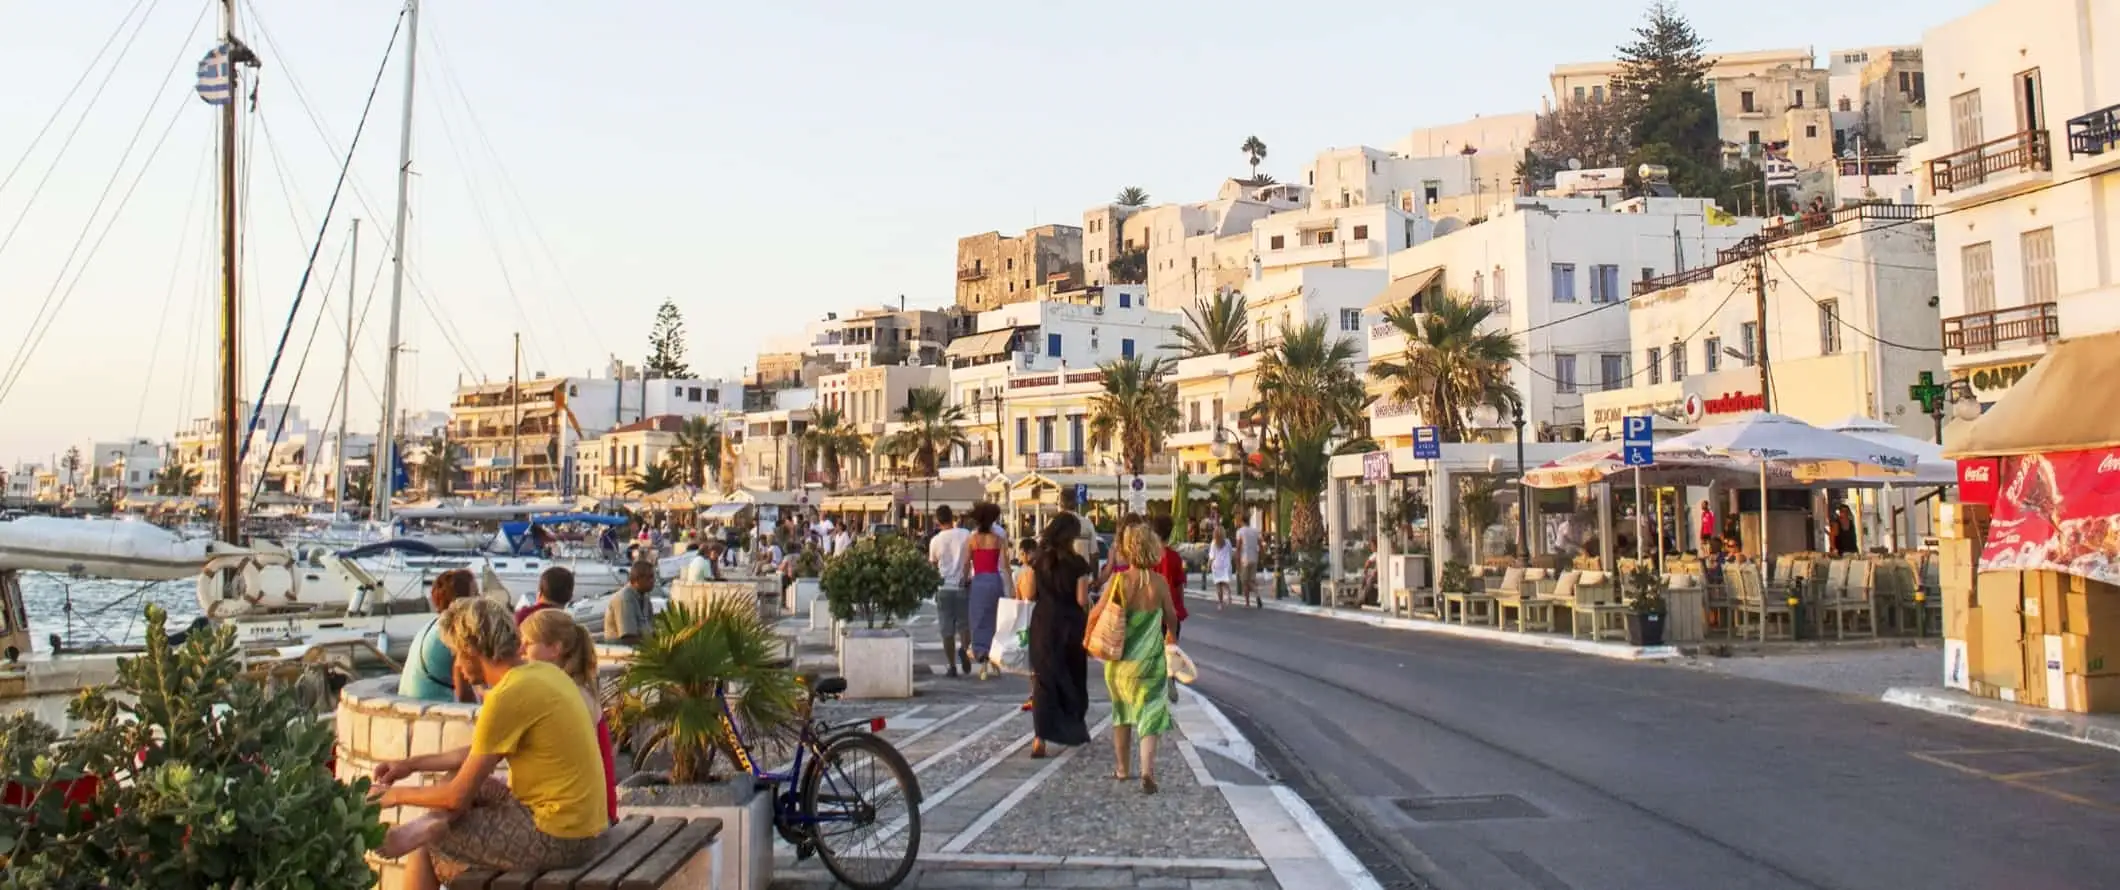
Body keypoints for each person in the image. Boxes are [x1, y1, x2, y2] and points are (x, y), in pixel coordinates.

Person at [371, 598, 607, 888]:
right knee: (459, 784)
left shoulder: (508, 695)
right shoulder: (544, 674)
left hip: (563, 838)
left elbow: (456, 797)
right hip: (584, 825)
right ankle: (427, 824)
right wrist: (408, 765)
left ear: (472, 650)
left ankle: (426, 829)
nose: (457, 664)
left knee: (431, 844)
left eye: (457, 654)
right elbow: (477, 754)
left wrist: (391, 796)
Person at [1086, 522, 1180, 794]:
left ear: (1127, 549)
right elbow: (1172, 617)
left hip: (1120, 664)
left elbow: (1096, 613)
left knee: (1122, 714)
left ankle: (1122, 768)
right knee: (1150, 716)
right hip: (1150, 663)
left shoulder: (1118, 581)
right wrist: (1171, 637)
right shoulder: (1159, 584)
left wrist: (1088, 637)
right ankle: (1147, 772)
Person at [518, 609, 618, 826]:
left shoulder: (566, 696)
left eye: (528, 643)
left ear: (555, 649)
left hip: (587, 820)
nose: (521, 650)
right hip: (598, 813)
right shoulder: (579, 689)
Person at [1024, 514, 1093, 758]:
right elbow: (1081, 600)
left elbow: (1030, 593)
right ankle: (1072, 729)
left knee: (1043, 681)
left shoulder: (1038, 561)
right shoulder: (1078, 564)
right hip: (1070, 626)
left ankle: (1039, 738)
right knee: (1072, 677)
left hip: (1043, 624)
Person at [400, 569, 478, 703]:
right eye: (475, 594)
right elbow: (464, 693)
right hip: (433, 712)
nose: (480, 599)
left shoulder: (431, 625)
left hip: (408, 705)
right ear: (461, 600)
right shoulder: (455, 632)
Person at [927, 505, 974, 677]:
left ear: (938, 521)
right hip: (962, 585)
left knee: (947, 630)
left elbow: (932, 564)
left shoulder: (936, 540)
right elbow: (971, 557)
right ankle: (964, 648)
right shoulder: (965, 535)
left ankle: (952, 665)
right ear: (952, 517)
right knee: (965, 625)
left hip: (944, 588)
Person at [964, 502, 1008, 681]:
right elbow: (1005, 566)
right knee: (995, 620)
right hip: (994, 580)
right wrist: (1011, 586)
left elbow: (967, 563)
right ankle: (994, 658)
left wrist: (964, 578)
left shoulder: (972, 539)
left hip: (979, 581)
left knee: (978, 619)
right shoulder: (999, 539)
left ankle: (981, 656)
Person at [602, 560, 657, 644]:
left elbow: (651, 629)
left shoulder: (645, 598)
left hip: (642, 649)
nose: (653, 581)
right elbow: (628, 638)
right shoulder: (625, 598)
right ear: (638, 579)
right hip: (620, 651)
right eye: (650, 577)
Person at [1012, 536, 1039, 712]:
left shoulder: (1027, 572)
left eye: (1022, 553)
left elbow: (1024, 596)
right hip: (1034, 617)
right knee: (1034, 662)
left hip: (1032, 618)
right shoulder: (1027, 572)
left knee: (1034, 661)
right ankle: (1035, 694)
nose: (1021, 557)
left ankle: (1036, 695)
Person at [1234, 517, 1262, 608]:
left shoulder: (1240, 531)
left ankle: (1248, 603)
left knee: (1245, 582)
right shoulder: (1255, 531)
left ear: (1242, 521)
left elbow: (1238, 547)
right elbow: (1260, 544)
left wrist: (1237, 560)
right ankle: (1256, 594)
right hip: (1254, 557)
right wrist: (1261, 556)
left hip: (1245, 559)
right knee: (1252, 580)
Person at [1209, 526, 1236, 609]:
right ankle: (1228, 595)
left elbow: (1212, 556)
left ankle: (1220, 603)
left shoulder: (1214, 543)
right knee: (1225, 583)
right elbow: (1231, 552)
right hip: (1225, 565)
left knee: (1218, 586)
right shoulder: (1227, 542)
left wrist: (1208, 565)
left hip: (1216, 566)